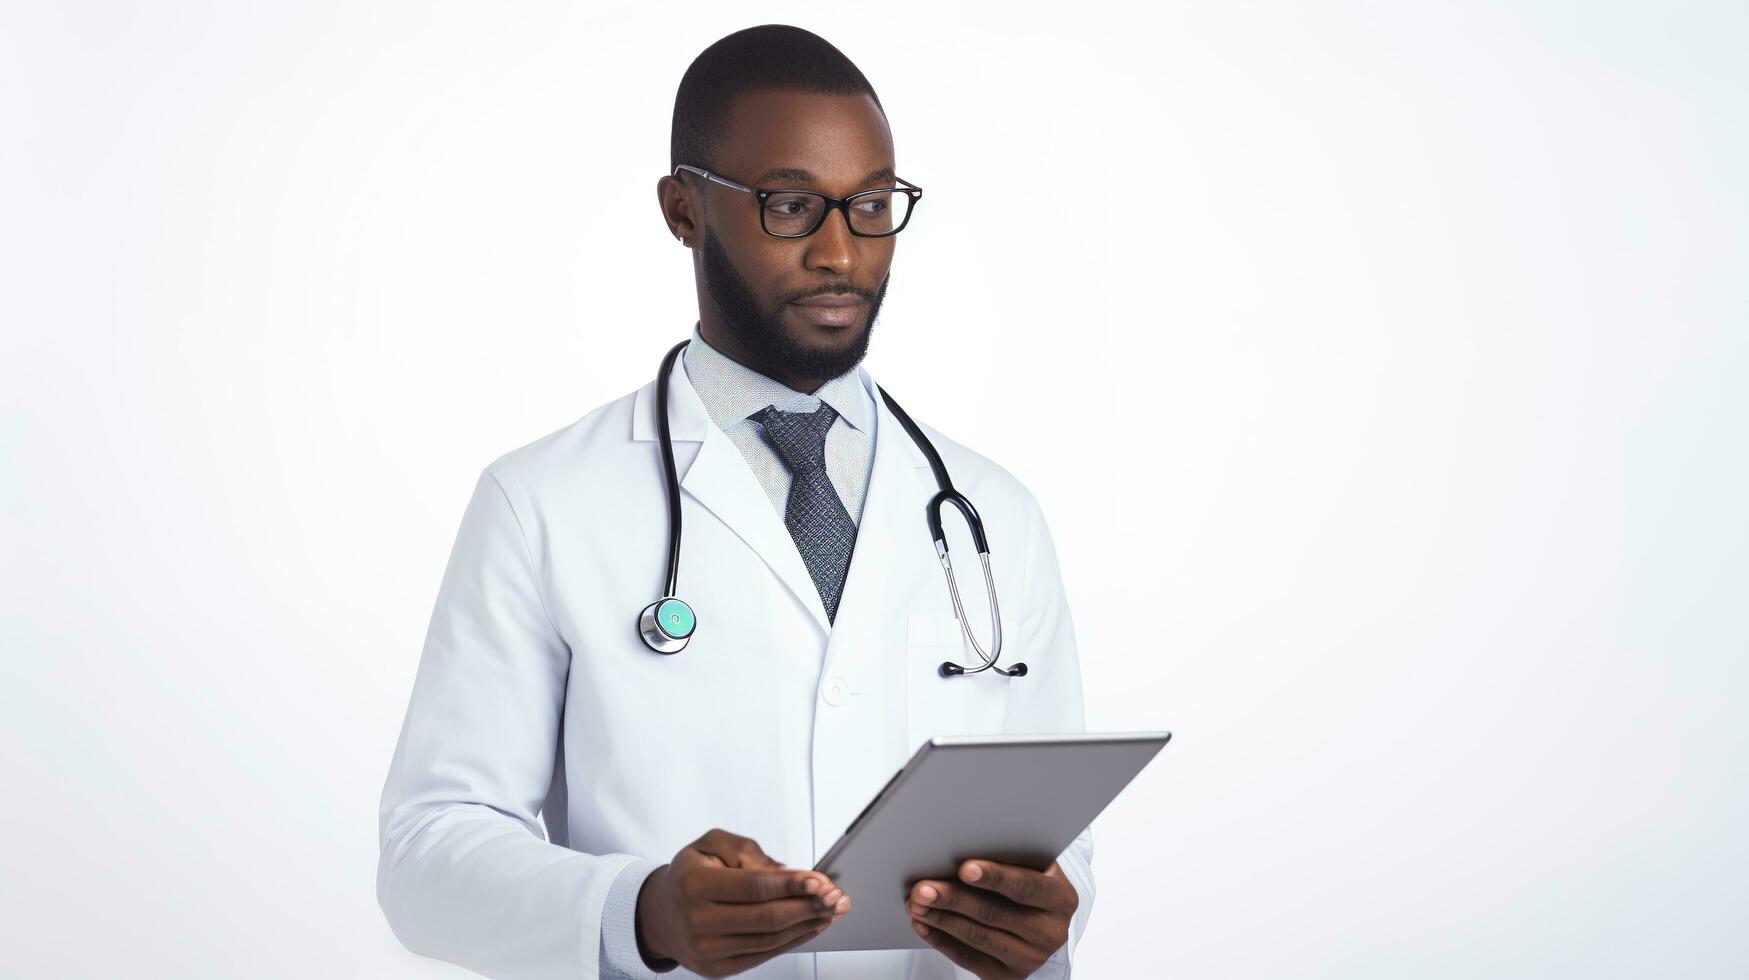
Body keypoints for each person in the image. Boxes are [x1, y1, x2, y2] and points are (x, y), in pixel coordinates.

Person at [377, 24, 1094, 980]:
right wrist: (641, 915)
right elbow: (426, 857)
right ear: (683, 210)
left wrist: (1044, 926)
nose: (842, 252)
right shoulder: (540, 501)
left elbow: (1057, 842)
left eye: (872, 205)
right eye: (791, 206)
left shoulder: (992, 512)